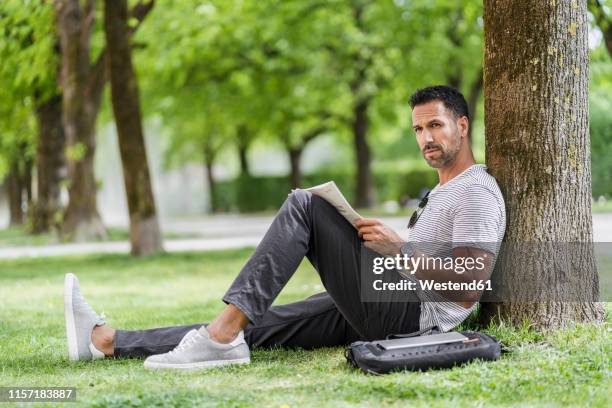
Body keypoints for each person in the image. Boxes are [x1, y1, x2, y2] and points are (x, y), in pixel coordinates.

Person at [64, 85, 506, 371]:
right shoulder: (443, 191)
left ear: (462, 127)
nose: (426, 138)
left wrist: (399, 251)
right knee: (254, 324)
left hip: (412, 318)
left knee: (306, 204)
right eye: (418, 129)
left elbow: (468, 283)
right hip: (385, 299)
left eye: (435, 126)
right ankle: (107, 342)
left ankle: (219, 338)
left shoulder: (477, 191)